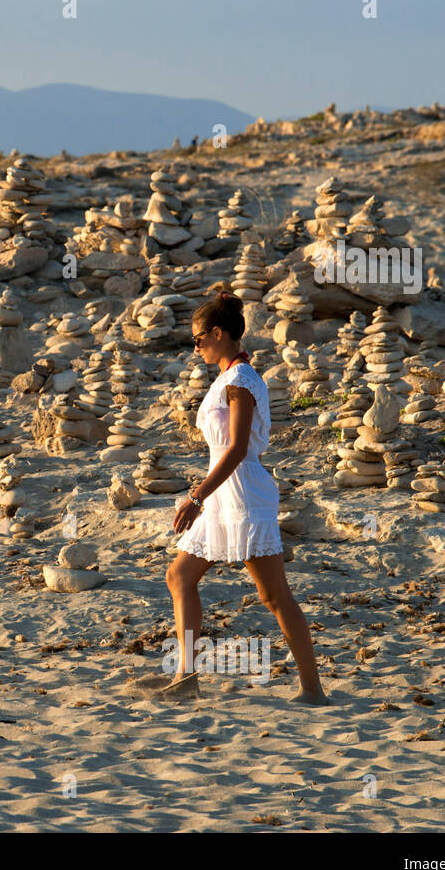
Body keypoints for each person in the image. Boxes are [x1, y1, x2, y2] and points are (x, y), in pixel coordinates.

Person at [134, 292, 328, 704]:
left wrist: (196, 496)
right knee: (179, 576)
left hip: (242, 494)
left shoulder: (240, 380)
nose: (195, 347)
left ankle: (313, 689)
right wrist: (205, 496)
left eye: (198, 339)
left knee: (274, 596)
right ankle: (186, 677)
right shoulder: (227, 378)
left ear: (218, 333)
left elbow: (238, 448)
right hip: (223, 493)